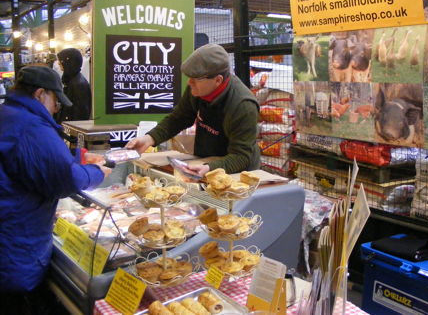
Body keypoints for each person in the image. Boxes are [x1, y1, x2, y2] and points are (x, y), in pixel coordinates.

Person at [0, 65, 111, 314]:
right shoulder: (31, 125)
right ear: (41, 94)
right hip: (16, 241)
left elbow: (38, 158)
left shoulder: (10, 113)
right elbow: (64, 180)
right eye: (55, 102)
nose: (55, 108)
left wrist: (81, 155)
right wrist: (97, 173)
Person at [126, 43, 260, 176]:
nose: (189, 83)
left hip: (238, 174)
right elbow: (179, 118)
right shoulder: (197, 89)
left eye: (196, 79)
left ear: (218, 80)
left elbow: (241, 157)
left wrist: (209, 168)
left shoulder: (243, 105)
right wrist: (149, 139)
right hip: (206, 162)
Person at [55, 47, 92, 122]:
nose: (58, 63)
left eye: (61, 60)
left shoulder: (78, 84)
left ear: (68, 62)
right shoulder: (72, 80)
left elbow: (80, 115)